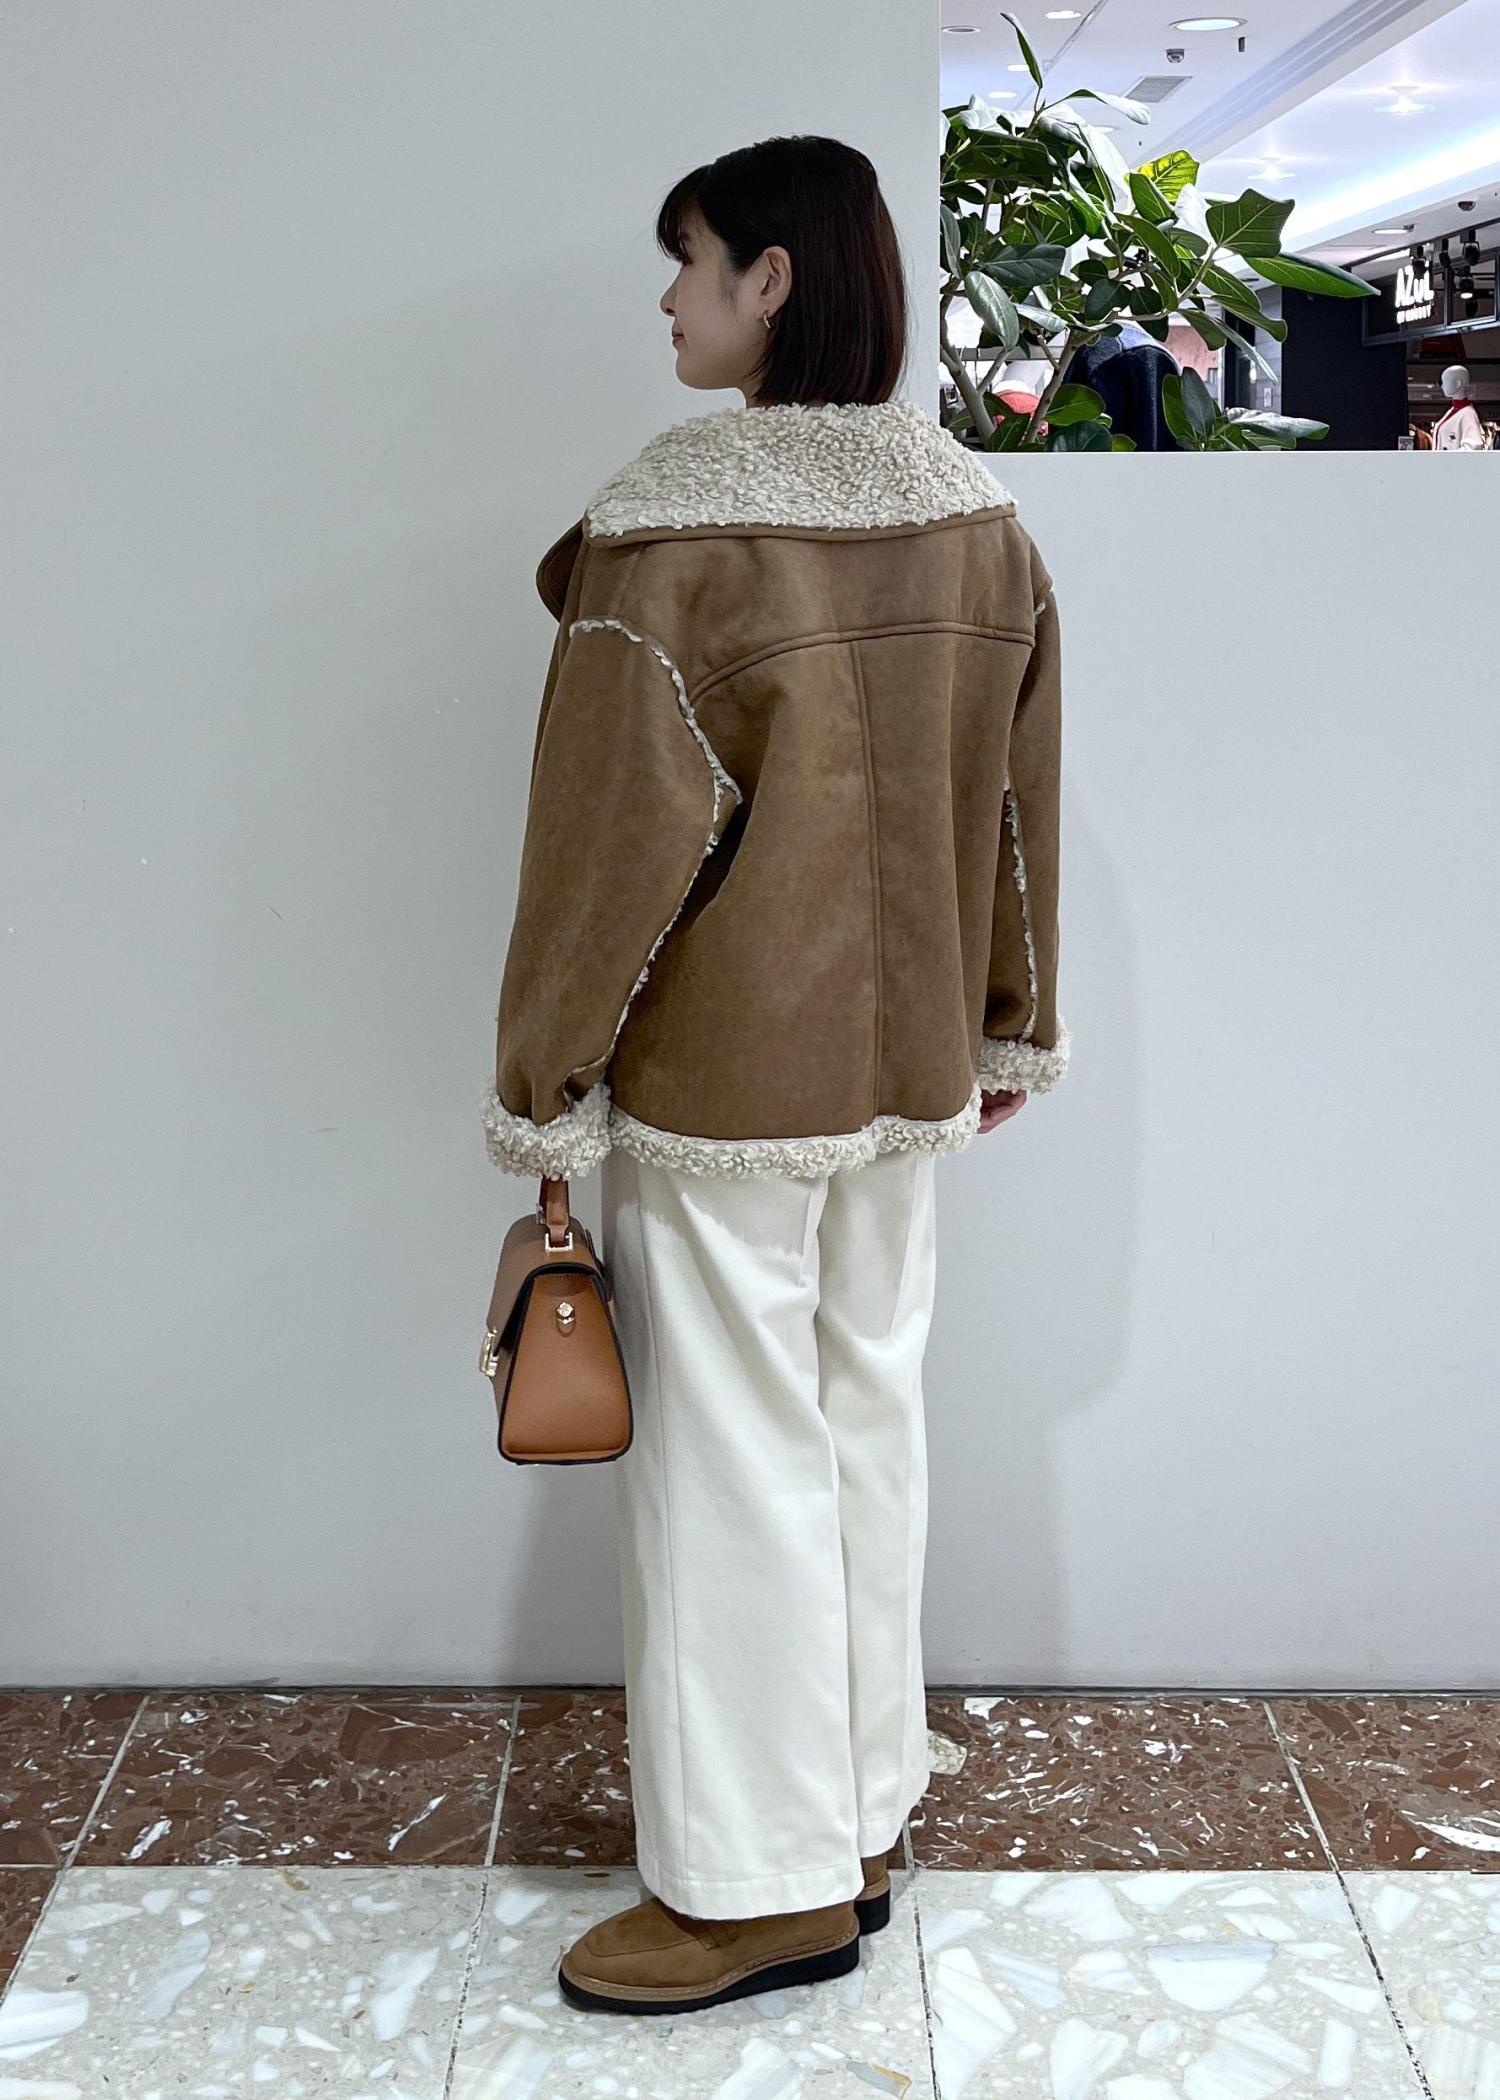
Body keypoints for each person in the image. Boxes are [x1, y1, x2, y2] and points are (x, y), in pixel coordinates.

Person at [485, 134, 1071, 2016]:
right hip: (909, 1060)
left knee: (732, 1463)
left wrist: (545, 1077)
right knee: (864, 1416)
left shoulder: (670, 542)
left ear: (774, 280)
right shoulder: (977, 521)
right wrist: (1008, 1017)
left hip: (726, 1079)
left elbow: (605, 849)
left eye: (689, 260)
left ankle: (755, 1886)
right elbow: (1018, 801)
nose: (668, 299)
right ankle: (862, 1812)